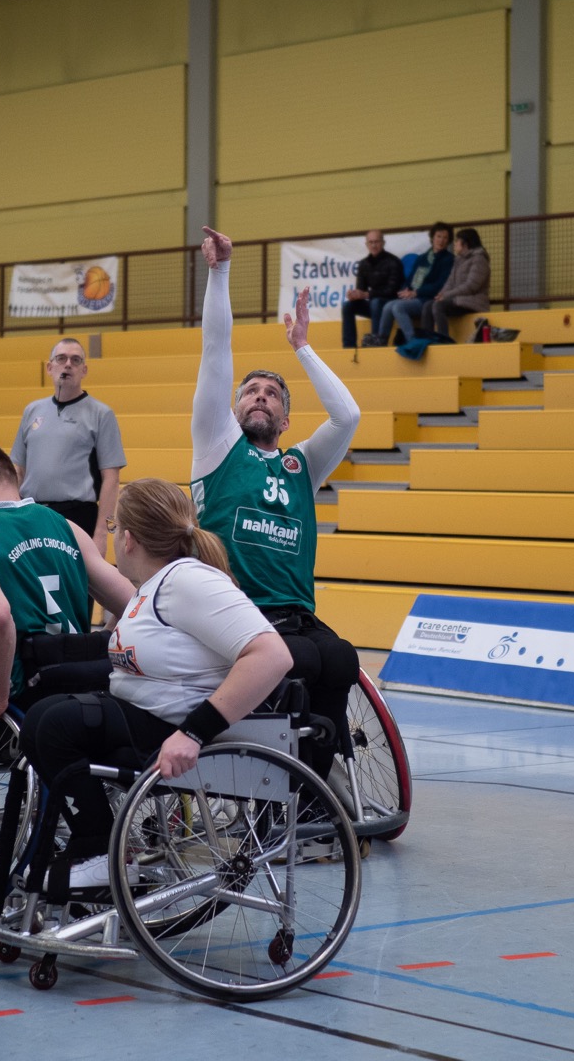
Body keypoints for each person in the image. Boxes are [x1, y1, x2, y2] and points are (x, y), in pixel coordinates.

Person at [20, 478, 292, 888]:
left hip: (178, 728)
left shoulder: (189, 581)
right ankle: (98, 845)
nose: (113, 538)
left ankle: (102, 850)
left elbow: (273, 655)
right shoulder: (151, 588)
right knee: (43, 711)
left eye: (113, 528)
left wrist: (193, 733)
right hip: (143, 717)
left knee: (53, 725)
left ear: (128, 539)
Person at [191, 228, 360, 783]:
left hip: (296, 612)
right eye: (251, 391)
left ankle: (316, 780)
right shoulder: (217, 445)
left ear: (285, 420)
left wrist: (302, 347)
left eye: (272, 394)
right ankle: (287, 784)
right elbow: (216, 350)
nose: (260, 395)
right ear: (234, 407)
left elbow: (347, 417)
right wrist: (220, 272)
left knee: (342, 658)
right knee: (300, 662)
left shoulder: (301, 465)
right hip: (237, 610)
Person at [0, 443, 135, 730]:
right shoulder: (68, 527)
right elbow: (134, 602)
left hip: (21, 696)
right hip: (80, 689)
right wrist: (96, 642)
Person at [11, 337, 126, 556]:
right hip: (31, 514)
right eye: (61, 358)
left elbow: (111, 478)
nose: (68, 365)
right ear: (49, 367)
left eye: (75, 360)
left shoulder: (101, 414)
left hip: (77, 517)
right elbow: (18, 470)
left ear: (84, 370)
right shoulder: (32, 411)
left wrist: (101, 534)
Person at [366, 222, 454, 346]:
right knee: (388, 306)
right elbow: (410, 279)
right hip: (414, 296)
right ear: (432, 238)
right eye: (439, 236)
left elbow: (440, 284)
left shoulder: (449, 259)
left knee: (398, 307)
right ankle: (381, 340)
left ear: (448, 241)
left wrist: (416, 292)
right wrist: (405, 291)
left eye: (445, 238)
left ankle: (412, 340)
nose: (441, 240)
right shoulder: (422, 258)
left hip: (427, 299)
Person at [340, 229, 404, 349]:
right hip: (375, 304)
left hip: (391, 304)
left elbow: (392, 290)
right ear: (366, 244)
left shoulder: (393, 261)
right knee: (347, 305)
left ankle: (376, 342)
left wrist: (367, 294)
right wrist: (354, 295)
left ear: (383, 243)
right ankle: (348, 346)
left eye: (376, 242)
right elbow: (361, 290)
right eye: (371, 242)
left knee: (375, 302)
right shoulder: (364, 264)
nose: (374, 245)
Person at [425, 227, 491, 338]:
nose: (454, 244)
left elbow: (471, 286)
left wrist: (447, 295)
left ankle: (443, 339)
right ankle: (427, 339)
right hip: (458, 300)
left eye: (457, 241)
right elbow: (450, 282)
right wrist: (441, 294)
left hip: (472, 302)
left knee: (438, 306)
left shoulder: (479, 259)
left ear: (465, 243)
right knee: (428, 305)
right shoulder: (459, 259)